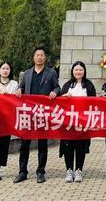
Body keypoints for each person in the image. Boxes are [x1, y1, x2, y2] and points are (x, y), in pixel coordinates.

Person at [13, 47, 61, 184]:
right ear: (33, 58)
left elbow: (57, 87)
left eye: (42, 55)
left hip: (43, 113)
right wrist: (19, 89)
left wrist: (55, 92)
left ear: (45, 58)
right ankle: (22, 172)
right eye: (37, 55)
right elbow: (21, 87)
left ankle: (40, 171)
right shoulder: (27, 73)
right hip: (28, 113)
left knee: (42, 144)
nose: (39, 57)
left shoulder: (51, 73)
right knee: (24, 144)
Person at [60, 61, 96, 183]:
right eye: (76, 70)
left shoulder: (89, 85)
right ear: (72, 71)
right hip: (69, 122)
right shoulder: (67, 85)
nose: (78, 72)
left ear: (84, 71)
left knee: (81, 147)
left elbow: (94, 102)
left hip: (83, 122)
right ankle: (69, 170)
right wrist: (65, 97)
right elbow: (60, 102)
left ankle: (79, 170)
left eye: (81, 70)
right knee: (68, 147)